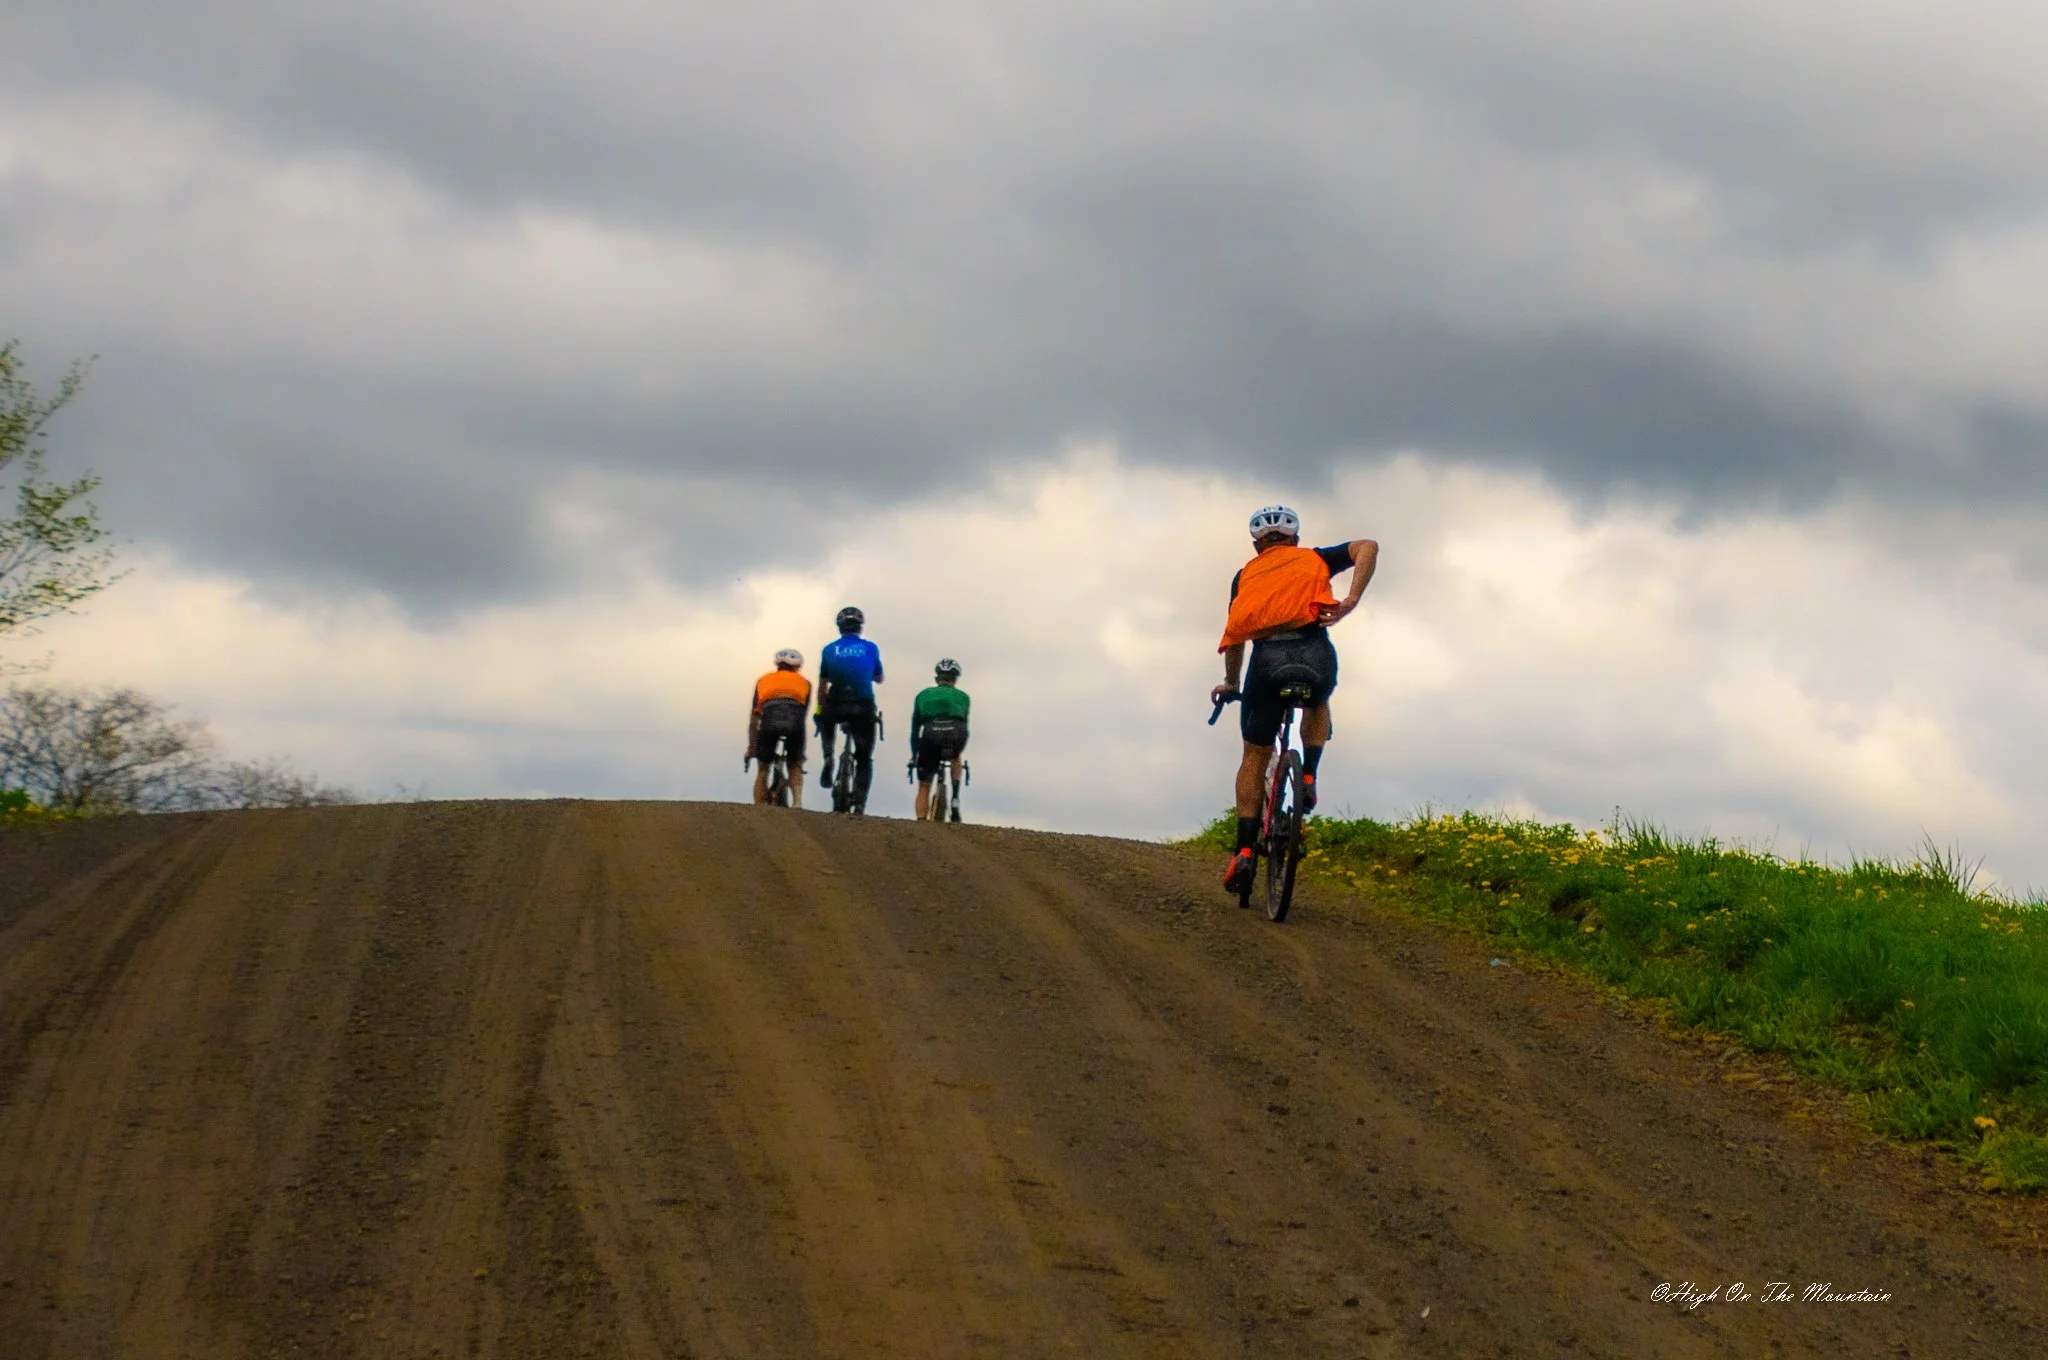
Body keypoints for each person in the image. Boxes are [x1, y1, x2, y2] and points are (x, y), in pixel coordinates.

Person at [1210, 505, 1377, 893]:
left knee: (1254, 755)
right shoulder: (1316, 558)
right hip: (1313, 653)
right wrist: (1350, 599)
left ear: (1256, 547)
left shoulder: (1244, 577)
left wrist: (1231, 683)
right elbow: (1368, 546)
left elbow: (1234, 636)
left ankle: (1245, 853)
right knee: (1318, 698)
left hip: (1266, 662)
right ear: (1295, 540)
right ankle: (1307, 775)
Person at [815, 605, 885, 812]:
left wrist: (820, 710)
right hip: (862, 704)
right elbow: (879, 678)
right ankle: (860, 802)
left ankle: (828, 756)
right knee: (864, 757)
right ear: (860, 627)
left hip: (835, 703)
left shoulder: (828, 649)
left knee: (826, 720)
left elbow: (822, 685)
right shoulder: (870, 648)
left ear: (840, 628)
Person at [747, 648, 811, 807]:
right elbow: (803, 713)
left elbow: (754, 717)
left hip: (769, 722)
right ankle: (797, 801)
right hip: (795, 723)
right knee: (795, 763)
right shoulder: (805, 683)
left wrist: (752, 746)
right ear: (797, 667)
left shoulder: (763, 680)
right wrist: (800, 752)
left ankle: (759, 806)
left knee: (763, 767)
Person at [910, 658, 970, 820]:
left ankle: (921, 821)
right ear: (955, 679)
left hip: (931, 733)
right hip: (956, 732)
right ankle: (955, 796)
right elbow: (965, 723)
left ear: (937, 677)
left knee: (924, 785)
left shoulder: (923, 695)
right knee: (956, 756)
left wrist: (915, 754)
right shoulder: (963, 697)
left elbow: (915, 729)